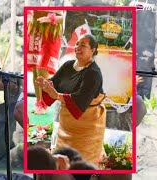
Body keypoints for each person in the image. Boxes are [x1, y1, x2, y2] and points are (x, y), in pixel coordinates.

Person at [35, 34, 106, 165]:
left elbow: (80, 100)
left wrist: (56, 95)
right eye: (77, 44)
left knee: (84, 163)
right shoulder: (68, 65)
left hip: (87, 126)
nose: (77, 47)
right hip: (66, 125)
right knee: (62, 159)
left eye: (83, 45)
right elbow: (54, 83)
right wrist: (46, 85)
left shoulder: (93, 73)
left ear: (93, 50)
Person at [27, 10, 64, 114]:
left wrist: (52, 19)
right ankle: (39, 103)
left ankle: (46, 103)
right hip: (34, 27)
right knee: (35, 70)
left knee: (42, 68)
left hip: (50, 29)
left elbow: (65, 18)